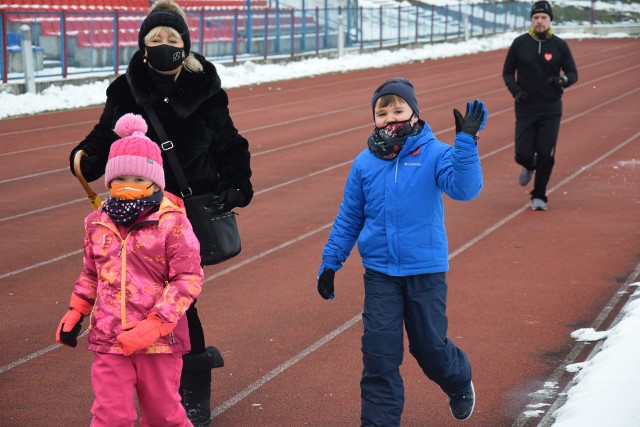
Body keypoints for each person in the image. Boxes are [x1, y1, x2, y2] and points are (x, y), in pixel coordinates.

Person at [68, 1, 253, 425]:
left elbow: (230, 143)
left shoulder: (206, 89)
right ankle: (152, 392)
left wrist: (236, 185)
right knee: (149, 298)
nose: (165, 45)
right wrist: (87, 156)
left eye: (173, 39)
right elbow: (105, 134)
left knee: (179, 301)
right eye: (156, 39)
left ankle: (190, 393)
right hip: (135, 208)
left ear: (185, 44)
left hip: (184, 213)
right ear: (143, 45)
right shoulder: (125, 89)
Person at [315, 78, 487, 426]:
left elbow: (465, 190)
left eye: (398, 109)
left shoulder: (437, 153)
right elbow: (350, 215)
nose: (390, 116)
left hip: (425, 271)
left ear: (414, 112)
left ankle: (458, 378)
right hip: (380, 275)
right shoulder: (364, 163)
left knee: (430, 349)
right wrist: (330, 262)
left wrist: (466, 143)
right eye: (382, 111)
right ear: (374, 119)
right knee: (378, 356)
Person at [56, 113, 203, 426]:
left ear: (154, 181)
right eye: (120, 180)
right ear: (110, 181)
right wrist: (76, 310)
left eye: (138, 180)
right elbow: (91, 274)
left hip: (159, 343)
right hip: (109, 339)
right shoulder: (97, 223)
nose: (128, 186)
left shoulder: (171, 222)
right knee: (111, 416)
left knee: (164, 416)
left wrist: (154, 325)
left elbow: (187, 279)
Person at [502, 0, 578, 211]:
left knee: (547, 153)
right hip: (526, 107)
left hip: (551, 108)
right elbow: (507, 72)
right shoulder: (520, 43)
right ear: (531, 20)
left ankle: (539, 195)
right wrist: (516, 91)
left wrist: (563, 81)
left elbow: (573, 73)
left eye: (544, 17)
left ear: (550, 20)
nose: (539, 21)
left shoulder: (559, 45)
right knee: (523, 153)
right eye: (536, 17)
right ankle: (529, 164)